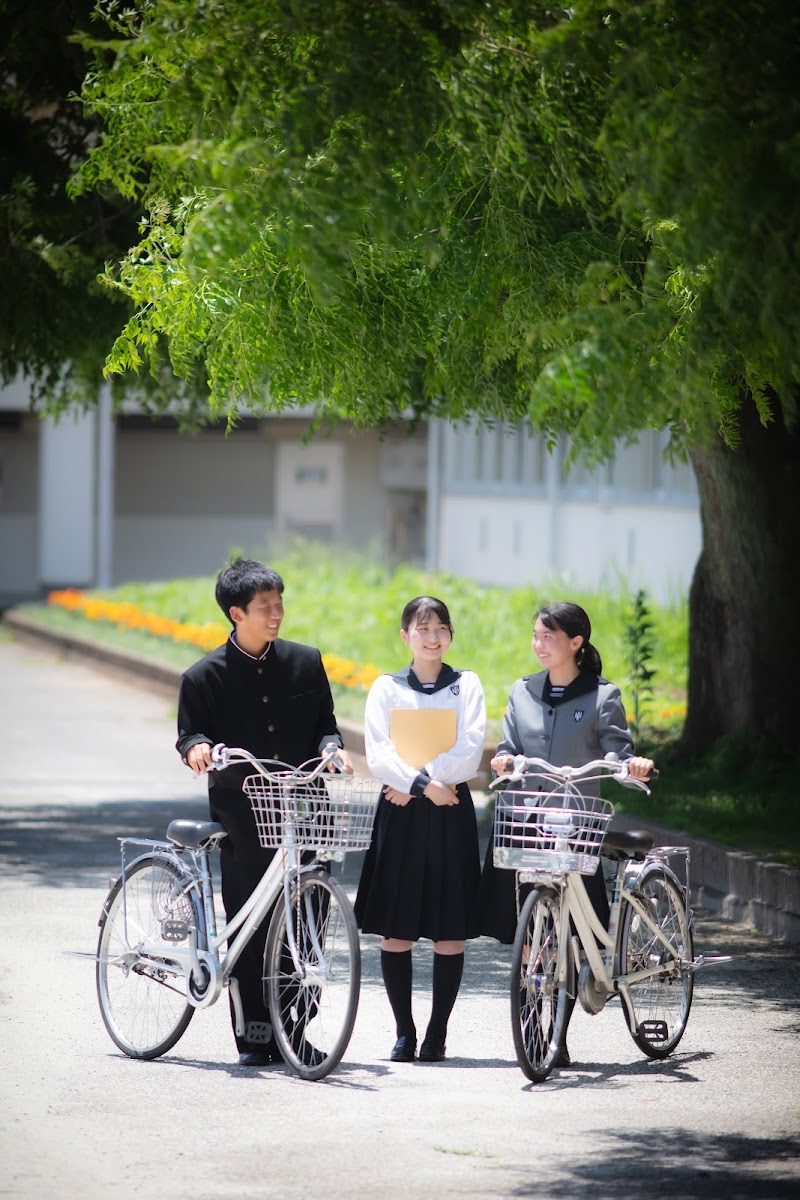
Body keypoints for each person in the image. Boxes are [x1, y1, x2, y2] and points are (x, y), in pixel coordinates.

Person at [176, 557, 352, 1068]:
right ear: (236, 613)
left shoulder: (305, 661)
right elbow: (190, 735)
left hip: (305, 806)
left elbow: (327, 724)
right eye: (264, 607)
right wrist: (199, 751)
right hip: (243, 815)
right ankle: (255, 1034)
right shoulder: (203, 676)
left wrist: (332, 748)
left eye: (279, 604)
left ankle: (294, 1032)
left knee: (308, 921)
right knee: (251, 925)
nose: (276, 614)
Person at [477, 600, 654, 1066]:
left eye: (548, 637)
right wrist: (503, 758)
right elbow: (510, 746)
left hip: (576, 826)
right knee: (531, 938)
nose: (538, 645)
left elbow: (618, 751)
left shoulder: (602, 696)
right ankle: (535, 1033)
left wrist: (630, 764)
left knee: (572, 934)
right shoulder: (522, 691)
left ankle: (557, 1036)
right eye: (535, 636)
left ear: (576, 643)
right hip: (527, 822)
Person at [354, 595, 486, 1064]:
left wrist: (425, 783)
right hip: (403, 808)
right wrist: (421, 785)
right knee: (397, 928)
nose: (433, 637)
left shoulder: (466, 685)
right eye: (422, 628)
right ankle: (404, 1032)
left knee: (449, 928)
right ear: (405, 636)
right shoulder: (385, 688)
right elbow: (379, 751)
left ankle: (437, 1033)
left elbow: (471, 747)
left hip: (449, 808)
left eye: (441, 628)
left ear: (450, 635)